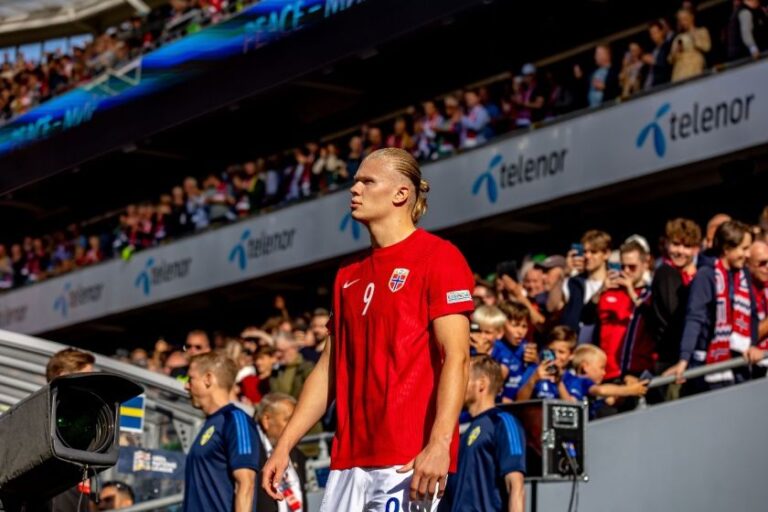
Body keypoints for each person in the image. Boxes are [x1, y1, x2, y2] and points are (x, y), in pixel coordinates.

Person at [262, 148, 474, 511]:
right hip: (348, 458)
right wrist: (284, 443)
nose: (354, 189)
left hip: (408, 458)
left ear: (400, 194)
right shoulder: (347, 273)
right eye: (355, 180)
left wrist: (439, 443)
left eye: (367, 181)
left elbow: (458, 356)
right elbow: (327, 368)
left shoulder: (438, 256)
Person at [666, 221, 763, 391]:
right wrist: (684, 359)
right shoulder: (705, 275)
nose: (748, 255)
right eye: (744, 248)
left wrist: (752, 344)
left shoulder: (743, 274)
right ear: (727, 249)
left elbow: (752, 314)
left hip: (739, 362)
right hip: (708, 364)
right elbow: (695, 317)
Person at [439, 356, 525, 512]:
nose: (456, 386)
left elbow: (515, 485)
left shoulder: (503, 422)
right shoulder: (464, 428)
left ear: (482, 384)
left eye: (463, 379)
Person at [184, 351, 261, 512]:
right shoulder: (211, 423)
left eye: (191, 379)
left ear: (208, 379)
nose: (186, 386)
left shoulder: (236, 420)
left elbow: (246, 484)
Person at [649, 218, 702, 390]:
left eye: (687, 246)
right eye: (676, 244)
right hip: (670, 361)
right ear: (666, 245)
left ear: (696, 249)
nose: (680, 251)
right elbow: (676, 314)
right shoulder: (666, 273)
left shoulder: (693, 276)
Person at [596, 240, 655, 381]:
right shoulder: (610, 292)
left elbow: (652, 321)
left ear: (645, 264)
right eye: (623, 266)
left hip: (638, 370)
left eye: (632, 267)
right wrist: (600, 291)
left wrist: (632, 293)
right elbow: (588, 319)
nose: (626, 271)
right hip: (608, 371)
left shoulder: (650, 294)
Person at [548, 230, 612, 342]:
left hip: (597, 351)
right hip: (571, 350)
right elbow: (551, 307)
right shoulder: (574, 282)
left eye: (593, 252)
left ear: (606, 254)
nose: (587, 256)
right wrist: (564, 273)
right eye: (585, 252)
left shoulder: (613, 284)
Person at [256, 393, 307, 512]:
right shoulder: (252, 456)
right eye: (288, 420)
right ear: (266, 420)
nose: (295, 427)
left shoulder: (297, 454)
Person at [669, 8, 711, 82]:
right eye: (681, 20)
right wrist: (676, 51)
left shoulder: (701, 31)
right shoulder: (678, 37)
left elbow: (707, 47)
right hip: (679, 72)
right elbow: (670, 59)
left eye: (685, 18)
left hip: (695, 69)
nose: (683, 22)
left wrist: (694, 38)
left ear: (691, 17)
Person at [747, 240, 768, 376]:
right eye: (762, 264)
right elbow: (748, 336)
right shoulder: (741, 290)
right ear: (747, 264)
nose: (767, 267)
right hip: (755, 367)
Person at [643, 19, 675, 89]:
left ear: (662, 32)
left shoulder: (668, 47)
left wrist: (654, 62)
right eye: (651, 34)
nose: (653, 36)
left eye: (655, 33)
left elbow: (669, 65)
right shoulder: (652, 50)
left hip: (662, 86)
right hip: (650, 86)